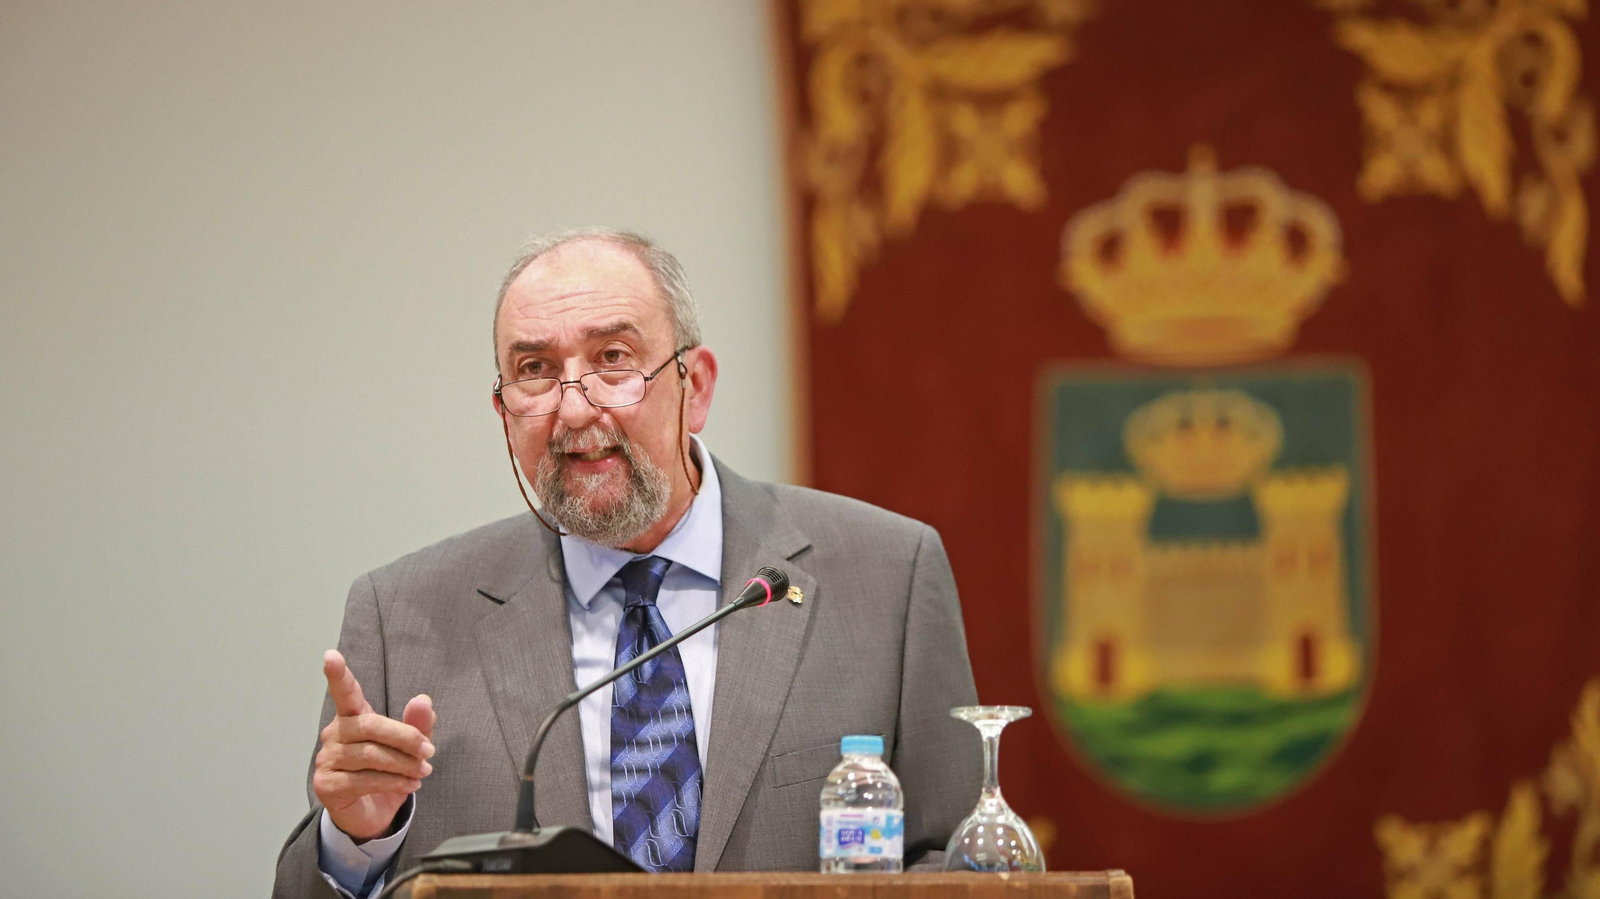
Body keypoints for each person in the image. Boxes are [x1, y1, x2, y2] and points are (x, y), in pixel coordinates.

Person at [271, 229, 981, 898]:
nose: (574, 410)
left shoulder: (887, 575)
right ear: (504, 409)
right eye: (535, 371)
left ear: (694, 386)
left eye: (613, 359)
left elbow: (957, 862)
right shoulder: (404, 618)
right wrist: (357, 838)